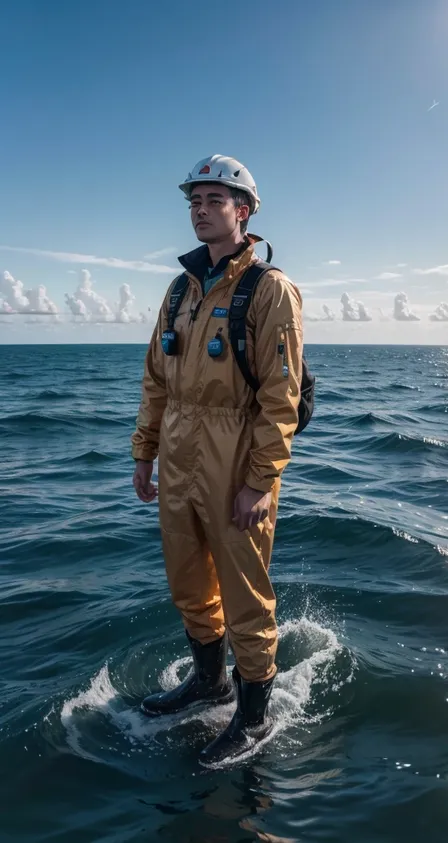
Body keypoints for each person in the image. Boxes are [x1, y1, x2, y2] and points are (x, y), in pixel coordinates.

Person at [131, 154, 304, 763]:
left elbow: (282, 399)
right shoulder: (179, 288)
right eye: (194, 202)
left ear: (244, 210)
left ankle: (254, 715)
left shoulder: (268, 290)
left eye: (214, 201)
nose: (200, 211)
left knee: (244, 591)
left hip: (236, 455)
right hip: (178, 453)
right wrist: (145, 453)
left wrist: (259, 480)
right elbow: (157, 379)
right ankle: (210, 681)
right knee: (187, 580)